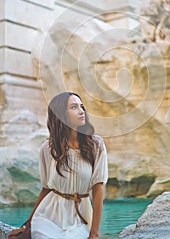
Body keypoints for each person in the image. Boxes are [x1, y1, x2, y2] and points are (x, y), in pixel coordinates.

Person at [9, 92, 108, 239]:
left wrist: (94, 233)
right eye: (74, 107)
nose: (82, 111)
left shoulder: (96, 145)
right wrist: (27, 225)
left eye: (82, 106)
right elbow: (46, 189)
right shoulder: (48, 149)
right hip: (48, 216)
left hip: (80, 217)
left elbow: (98, 190)